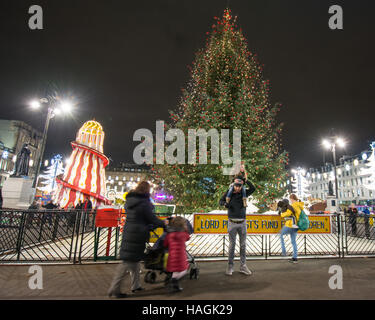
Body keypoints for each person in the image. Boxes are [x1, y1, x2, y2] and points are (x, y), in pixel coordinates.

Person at [108, 181, 167, 298]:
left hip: (130, 232)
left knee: (135, 263)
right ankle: (114, 289)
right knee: (126, 263)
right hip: (137, 234)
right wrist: (164, 223)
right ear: (146, 190)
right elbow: (151, 218)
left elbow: (141, 218)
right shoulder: (143, 203)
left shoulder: (132, 201)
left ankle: (136, 285)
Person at [219, 177, 256, 276]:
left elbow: (253, 188)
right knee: (232, 246)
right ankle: (230, 266)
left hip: (242, 222)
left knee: (243, 245)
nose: (238, 188)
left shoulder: (244, 193)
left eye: (239, 186)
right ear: (233, 185)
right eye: (236, 186)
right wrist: (224, 204)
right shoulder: (229, 193)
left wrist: (246, 180)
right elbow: (220, 201)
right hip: (232, 222)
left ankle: (243, 266)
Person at [163, 216, 191, 293]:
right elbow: (188, 238)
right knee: (184, 269)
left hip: (172, 256)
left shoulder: (169, 234)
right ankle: (174, 280)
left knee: (175, 271)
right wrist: (186, 229)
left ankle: (175, 286)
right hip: (181, 256)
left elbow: (165, 244)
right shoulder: (184, 234)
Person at [277, 197, 301, 264]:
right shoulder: (289, 207)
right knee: (293, 242)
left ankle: (284, 251)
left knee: (280, 234)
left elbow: (287, 214)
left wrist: (281, 214)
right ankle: (295, 258)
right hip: (295, 226)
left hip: (289, 226)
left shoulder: (288, 208)